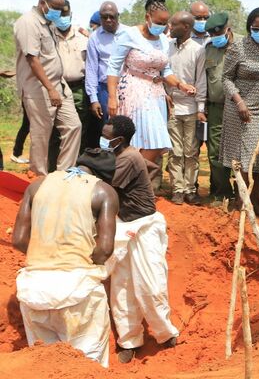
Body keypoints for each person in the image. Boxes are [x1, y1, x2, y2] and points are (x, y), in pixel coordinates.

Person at [12, 149, 120, 368]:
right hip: (78, 291)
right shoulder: (103, 191)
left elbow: (19, 240)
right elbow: (105, 250)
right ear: (105, 176)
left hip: (34, 290)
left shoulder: (37, 186)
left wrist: (47, 258)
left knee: (44, 365)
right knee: (88, 365)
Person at [100, 115, 180, 364]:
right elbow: (152, 167)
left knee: (150, 284)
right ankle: (129, 341)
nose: (102, 139)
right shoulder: (123, 155)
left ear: (119, 139)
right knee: (121, 287)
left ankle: (165, 334)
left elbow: (104, 186)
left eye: (106, 136)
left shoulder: (129, 158)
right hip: (123, 226)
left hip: (144, 226)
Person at [106, 0, 197, 184]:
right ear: (148, 17)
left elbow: (166, 70)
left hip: (156, 93)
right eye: (158, 22)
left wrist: (180, 85)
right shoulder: (129, 34)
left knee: (155, 141)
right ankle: (127, 183)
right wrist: (112, 97)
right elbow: (113, 67)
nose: (163, 26)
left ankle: (134, 182)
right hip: (133, 90)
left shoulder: (163, 40)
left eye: (165, 23)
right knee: (137, 138)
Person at [219, 7, 259, 219]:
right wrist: (239, 102)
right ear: (249, 28)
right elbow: (226, 78)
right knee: (246, 158)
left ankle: (256, 202)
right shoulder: (238, 47)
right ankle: (242, 202)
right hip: (242, 108)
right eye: (257, 29)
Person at [13, 0, 82, 177]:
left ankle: (62, 176)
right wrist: (50, 89)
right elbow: (32, 59)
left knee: (73, 126)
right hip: (40, 89)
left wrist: (57, 87)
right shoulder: (28, 22)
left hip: (59, 86)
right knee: (41, 135)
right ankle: (38, 179)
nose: (59, 13)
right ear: (43, 3)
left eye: (61, 10)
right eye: (55, 8)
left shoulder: (48, 23)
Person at [165, 11, 207, 205]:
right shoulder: (167, 47)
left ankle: (190, 189)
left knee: (191, 151)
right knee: (175, 151)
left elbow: (201, 80)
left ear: (186, 28)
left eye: (173, 25)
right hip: (172, 106)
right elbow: (162, 74)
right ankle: (178, 189)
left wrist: (200, 108)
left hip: (191, 108)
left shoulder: (198, 50)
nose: (169, 28)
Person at [203, 12, 235, 205]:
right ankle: (223, 193)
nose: (216, 37)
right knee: (215, 152)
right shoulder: (208, 50)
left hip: (239, 109)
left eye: (219, 33)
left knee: (238, 151)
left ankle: (241, 193)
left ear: (228, 29)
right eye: (212, 35)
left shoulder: (244, 45)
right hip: (216, 108)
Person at [55, 0, 93, 152]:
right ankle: (55, 164)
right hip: (56, 87)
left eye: (65, 13)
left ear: (70, 14)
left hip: (79, 87)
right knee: (57, 128)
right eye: (59, 14)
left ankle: (77, 163)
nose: (63, 17)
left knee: (81, 126)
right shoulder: (48, 36)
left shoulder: (83, 37)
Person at [86, 1, 123, 143]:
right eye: (104, 17)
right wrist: (94, 99)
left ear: (118, 16)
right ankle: (109, 163)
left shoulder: (128, 33)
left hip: (127, 88)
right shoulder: (94, 37)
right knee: (109, 130)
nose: (108, 20)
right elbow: (91, 68)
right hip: (104, 90)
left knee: (129, 127)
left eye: (112, 16)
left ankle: (128, 163)